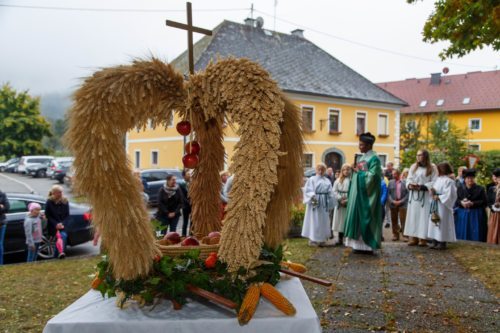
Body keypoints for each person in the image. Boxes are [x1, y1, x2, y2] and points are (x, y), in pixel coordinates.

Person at [344, 132, 382, 253]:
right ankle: (357, 245)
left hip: (366, 195)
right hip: (357, 194)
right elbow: (360, 172)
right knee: (357, 218)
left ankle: (367, 246)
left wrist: (358, 172)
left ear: (369, 145)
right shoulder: (362, 157)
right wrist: (354, 172)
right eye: (359, 144)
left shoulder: (374, 158)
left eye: (362, 145)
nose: (359, 147)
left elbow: (373, 176)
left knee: (365, 217)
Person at [404, 149, 437, 246]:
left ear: (425, 156)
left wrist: (423, 187)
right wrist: (410, 185)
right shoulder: (413, 166)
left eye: (420, 155)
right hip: (414, 196)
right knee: (414, 216)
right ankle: (414, 237)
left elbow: (435, 181)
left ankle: (423, 238)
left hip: (425, 196)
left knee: (423, 217)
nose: (417, 157)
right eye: (417, 155)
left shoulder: (432, 167)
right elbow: (409, 178)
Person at [302, 163, 335, 246]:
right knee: (314, 220)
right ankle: (313, 239)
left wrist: (329, 201)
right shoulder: (312, 179)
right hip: (315, 201)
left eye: (322, 169)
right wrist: (314, 201)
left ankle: (322, 239)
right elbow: (308, 191)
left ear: (325, 170)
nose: (320, 171)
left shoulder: (327, 180)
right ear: (316, 170)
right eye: (319, 169)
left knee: (323, 220)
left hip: (324, 203)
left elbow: (330, 192)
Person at [427, 163, 458, 250]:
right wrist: (432, 191)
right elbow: (435, 190)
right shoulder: (438, 179)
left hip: (443, 206)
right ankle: (434, 240)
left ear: (442, 170)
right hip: (435, 203)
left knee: (442, 222)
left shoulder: (449, 181)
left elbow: (450, 194)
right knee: (434, 220)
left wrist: (439, 197)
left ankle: (442, 241)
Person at [455, 169, 488, 241]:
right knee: (463, 230)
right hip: (462, 213)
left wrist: (473, 203)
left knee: (475, 231)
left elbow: (484, 202)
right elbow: (455, 200)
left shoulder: (480, 189)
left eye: (472, 178)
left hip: (476, 214)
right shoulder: (459, 189)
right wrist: (461, 202)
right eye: (468, 178)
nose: (470, 180)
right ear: (464, 179)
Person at [45, 185, 70, 259]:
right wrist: (56, 224)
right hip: (53, 226)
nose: (61, 193)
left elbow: (67, 215)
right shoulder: (49, 201)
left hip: (63, 225)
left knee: (63, 236)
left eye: (61, 192)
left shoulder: (65, 201)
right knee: (60, 238)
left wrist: (62, 224)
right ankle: (59, 254)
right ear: (54, 193)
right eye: (59, 192)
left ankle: (58, 254)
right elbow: (48, 215)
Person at [331, 164, 351, 245]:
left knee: (347, 220)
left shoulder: (352, 180)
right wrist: (340, 199)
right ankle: (340, 239)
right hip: (339, 203)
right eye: (344, 170)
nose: (346, 171)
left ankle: (347, 239)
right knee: (340, 221)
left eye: (348, 169)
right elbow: (334, 191)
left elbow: (353, 192)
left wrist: (347, 200)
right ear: (342, 171)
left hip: (348, 202)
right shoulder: (338, 180)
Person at [387, 169, 409, 241]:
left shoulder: (405, 182)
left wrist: (401, 201)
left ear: (399, 174)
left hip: (402, 204)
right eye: (392, 174)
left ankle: (405, 235)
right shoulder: (390, 182)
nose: (393, 175)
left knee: (403, 220)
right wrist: (392, 201)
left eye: (395, 174)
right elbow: (388, 193)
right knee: (394, 220)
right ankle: (395, 235)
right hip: (393, 204)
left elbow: (407, 194)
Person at [487, 168, 500, 244]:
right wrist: (493, 207)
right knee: (493, 231)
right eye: (498, 178)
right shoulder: (492, 189)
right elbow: (488, 202)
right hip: (494, 215)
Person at [179, 169, 192, 237]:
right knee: (185, 221)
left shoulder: (192, 183)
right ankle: (184, 235)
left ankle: (191, 234)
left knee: (192, 222)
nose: (190, 175)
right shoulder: (181, 184)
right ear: (184, 176)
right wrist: (189, 202)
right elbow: (182, 197)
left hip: (193, 205)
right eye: (188, 174)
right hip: (185, 206)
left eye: (190, 174)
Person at [0, 188, 10, 265]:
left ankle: (1, 264)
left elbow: (7, 208)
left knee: (0, 245)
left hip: (1, 223)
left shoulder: (2, 195)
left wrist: (3, 207)